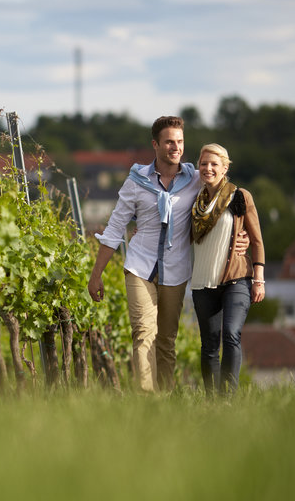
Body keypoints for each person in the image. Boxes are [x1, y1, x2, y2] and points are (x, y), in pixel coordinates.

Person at [87, 116, 247, 392]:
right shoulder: (136, 182)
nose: (176, 147)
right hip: (140, 265)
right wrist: (96, 274)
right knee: (143, 333)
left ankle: (165, 398)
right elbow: (114, 228)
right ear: (155, 145)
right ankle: (147, 400)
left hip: (176, 268)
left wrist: (240, 236)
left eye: (180, 142)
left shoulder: (195, 179)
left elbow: (224, 197)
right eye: (169, 142)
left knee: (166, 340)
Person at [190, 143, 265, 396]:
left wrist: (259, 279)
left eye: (214, 164)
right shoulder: (193, 201)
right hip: (202, 282)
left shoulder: (239, 196)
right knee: (209, 345)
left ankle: (228, 398)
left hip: (236, 280)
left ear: (225, 168)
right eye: (203, 163)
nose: (208, 168)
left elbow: (256, 241)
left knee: (231, 334)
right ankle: (212, 401)